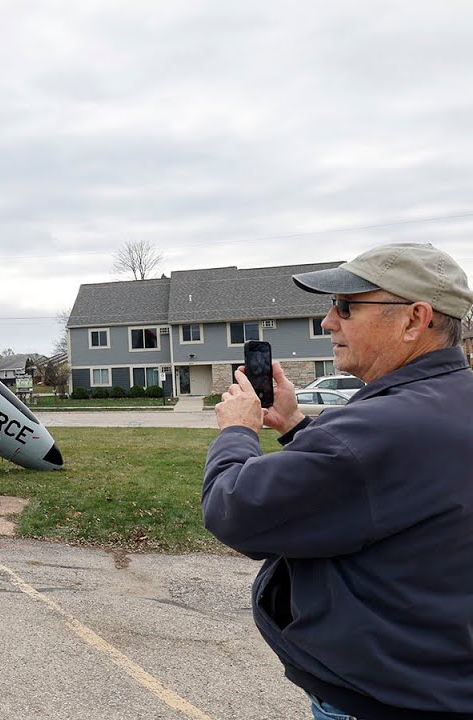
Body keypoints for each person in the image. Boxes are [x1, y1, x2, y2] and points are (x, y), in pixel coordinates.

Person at [202, 242, 473, 720]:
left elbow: (235, 508)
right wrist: (294, 426)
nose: (329, 321)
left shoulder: (378, 428)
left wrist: (239, 430)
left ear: (414, 319)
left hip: (381, 700)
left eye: (346, 306)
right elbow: (375, 487)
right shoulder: (448, 400)